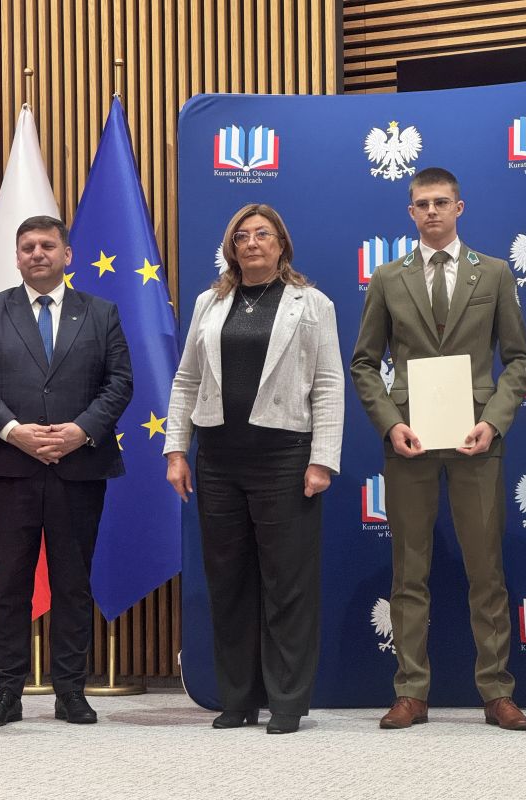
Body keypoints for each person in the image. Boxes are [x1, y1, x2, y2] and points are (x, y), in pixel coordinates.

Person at [351, 167, 526, 731]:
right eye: (422, 204)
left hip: (477, 439)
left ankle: (497, 692)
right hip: (411, 439)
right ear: (411, 212)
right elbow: (364, 363)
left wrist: (494, 422)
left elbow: (518, 360)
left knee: (487, 570)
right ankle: (410, 691)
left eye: (441, 202)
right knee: (409, 570)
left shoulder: (495, 273)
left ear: (460, 208)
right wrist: (390, 424)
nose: (432, 211)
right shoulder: (388, 278)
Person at [164, 203, 344, 734]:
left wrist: (322, 459)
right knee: (229, 582)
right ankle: (236, 698)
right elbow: (187, 380)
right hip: (218, 459)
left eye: (262, 234)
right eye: (241, 236)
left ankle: (286, 702)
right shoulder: (209, 302)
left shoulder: (312, 304)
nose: (252, 243)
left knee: (287, 584)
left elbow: (329, 384)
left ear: (281, 244)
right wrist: (177, 450)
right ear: (231, 248)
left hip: (284, 458)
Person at [0, 215, 133, 728]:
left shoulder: (101, 313)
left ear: (67, 254)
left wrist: (80, 431)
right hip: (8, 467)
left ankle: (70, 692)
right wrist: (15, 431)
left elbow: (120, 382)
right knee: (10, 584)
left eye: (47, 245)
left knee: (73, 584)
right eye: (28, 246)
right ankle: (6, 693)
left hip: (79, 466)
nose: (38, 253)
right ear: (16, 258)